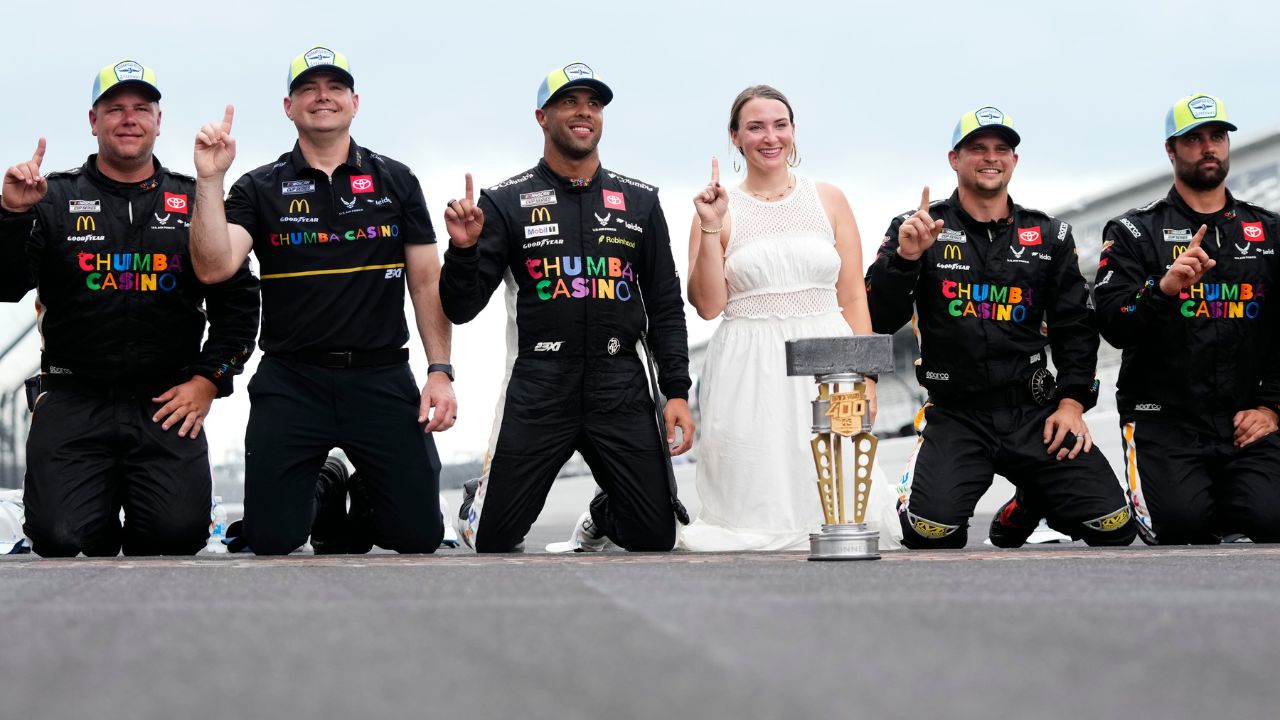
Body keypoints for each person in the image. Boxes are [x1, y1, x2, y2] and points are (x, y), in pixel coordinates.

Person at [188, 46, 455, 555]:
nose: (322, 97)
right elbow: (212, 265)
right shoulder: (259, 186)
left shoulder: (396, 180)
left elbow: (425, 282)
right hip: (292, 381)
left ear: (355, 102)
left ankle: (366, 487)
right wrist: (209, 179)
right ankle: (328, 481)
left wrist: (440, 370)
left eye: (334, 87)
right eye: (308, 88)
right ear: (288, 106)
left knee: (418, 538)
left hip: (380, 375)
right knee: (271, 541)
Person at [0, 59, 259, 557]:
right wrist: (11, 215)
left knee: (176, 539)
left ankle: (176, 503)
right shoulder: (51, 197)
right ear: (92, 122)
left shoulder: (194, 198)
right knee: (60, 539)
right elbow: (7, 284)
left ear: (159, 122)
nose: (128, 118)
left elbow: (241, 304)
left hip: (166, 401)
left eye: (142, 108)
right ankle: (60, 502)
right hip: (74, 394)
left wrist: (209, 379)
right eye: (114, 108)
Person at [440, 62, 694, 553]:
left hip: (619, 382)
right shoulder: (504, 201)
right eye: (570, 102)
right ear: (542, 116)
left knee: (656, 537)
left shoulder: (640, 202)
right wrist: (464, 250)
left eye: (594, 104)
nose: (584, 112)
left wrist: (676, 391)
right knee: (492, 540)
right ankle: (476, 503)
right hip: (539, 382)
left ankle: (603, 512)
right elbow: (461, 305)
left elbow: (665, 305)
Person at [866, 106, 1136, 549]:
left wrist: (1071, 404)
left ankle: (1030, 502)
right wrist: (906, 259)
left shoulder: (1049, 234)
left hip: (1034, 411)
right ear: (954, 159)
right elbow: (877, 318)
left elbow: (1075, 327)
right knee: (930, 534)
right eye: (977, 148)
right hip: (957, 412)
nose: (990, 157)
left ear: (1014, 161)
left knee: (1114, 528)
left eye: (1001, 149)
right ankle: (918, 493)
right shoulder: (915, 227)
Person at [679, 84, 898, 551]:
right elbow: (707, 305)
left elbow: (854, 297)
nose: (769, 137)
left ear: (794, 132)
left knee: (838, 496)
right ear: (735, 138)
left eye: (779, 125)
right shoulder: (712, 208)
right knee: (754, 499)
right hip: (749, 364)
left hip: (830, 361)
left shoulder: (830, 199)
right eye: (755, 127)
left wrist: (868, 377)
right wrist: (713, 223)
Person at [1092, 93, 1280, 544]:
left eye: (1217, 136)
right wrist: (1162, 290)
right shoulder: (1133, 232)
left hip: (1243, 418)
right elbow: (1114, 325)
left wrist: (1271, 407)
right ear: (1171, 150)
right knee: (1178, 527)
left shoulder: (1270, 231)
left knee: (1272, 521)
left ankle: (1235, 502)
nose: (1208, 147)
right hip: (1164, 420)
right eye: (1193, 139)